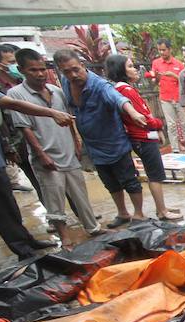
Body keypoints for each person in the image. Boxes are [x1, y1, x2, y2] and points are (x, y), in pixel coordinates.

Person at [0, 35, 69, 259]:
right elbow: (9, 105)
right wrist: (52, 112)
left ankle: (26, 240)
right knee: (0, 204)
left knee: (7, 201)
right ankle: (23, 249)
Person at [8, 48, 101, 245]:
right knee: (54, 199)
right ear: (21, 70)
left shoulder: (56, 91)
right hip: (47, 156)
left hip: (68, 151)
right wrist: (42, 155)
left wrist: (76, 143)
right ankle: (65, 238)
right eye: (33, 70)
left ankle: (93, 228)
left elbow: (69, 120)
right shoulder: (16, 95)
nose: (40, 74)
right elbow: (26, 129)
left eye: (42, 68)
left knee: (80, 196)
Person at [54, 49, 150, 228]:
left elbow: (118, 99)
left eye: (76, 69)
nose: (73, 75)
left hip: (115, 143)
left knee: (129, 180)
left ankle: (139, 213)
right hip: (93, 145)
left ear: (83, 65)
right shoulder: (67, 84)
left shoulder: (99, 85)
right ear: (61, 71)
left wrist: (133, 113)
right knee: (110, 183)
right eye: (67, 71)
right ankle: (122, 213)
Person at [106, 54, 183, 223]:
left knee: (154, 173)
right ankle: (162, 211)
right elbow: (143, 118)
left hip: (143, 136)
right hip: (143, 137)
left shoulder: (122, 90)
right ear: (121, 70)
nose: (135, 69)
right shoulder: (125, 91)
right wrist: (158, 124)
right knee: (155, 174)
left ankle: (161, 207)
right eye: (130, 66)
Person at [0, 43, 44, 199]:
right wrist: (8, 148)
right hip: (19, 145)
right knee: (39, 182)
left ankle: (80, 213)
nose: (17, 65)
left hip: (43, 138)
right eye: (12, 62)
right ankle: (56, 219)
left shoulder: (27, 82)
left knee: (60, 179)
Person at [150, 38, 185, 154]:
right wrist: (156, 78)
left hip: (179, 98)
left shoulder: (179, 64)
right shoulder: (156, 63)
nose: (161, 52)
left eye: (164, 50)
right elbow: (154, 81)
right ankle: (175, 149)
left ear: (169, 49)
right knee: (171, 125)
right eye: (159, 50)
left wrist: (173, 75)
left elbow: (183, 82)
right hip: (165, 98)